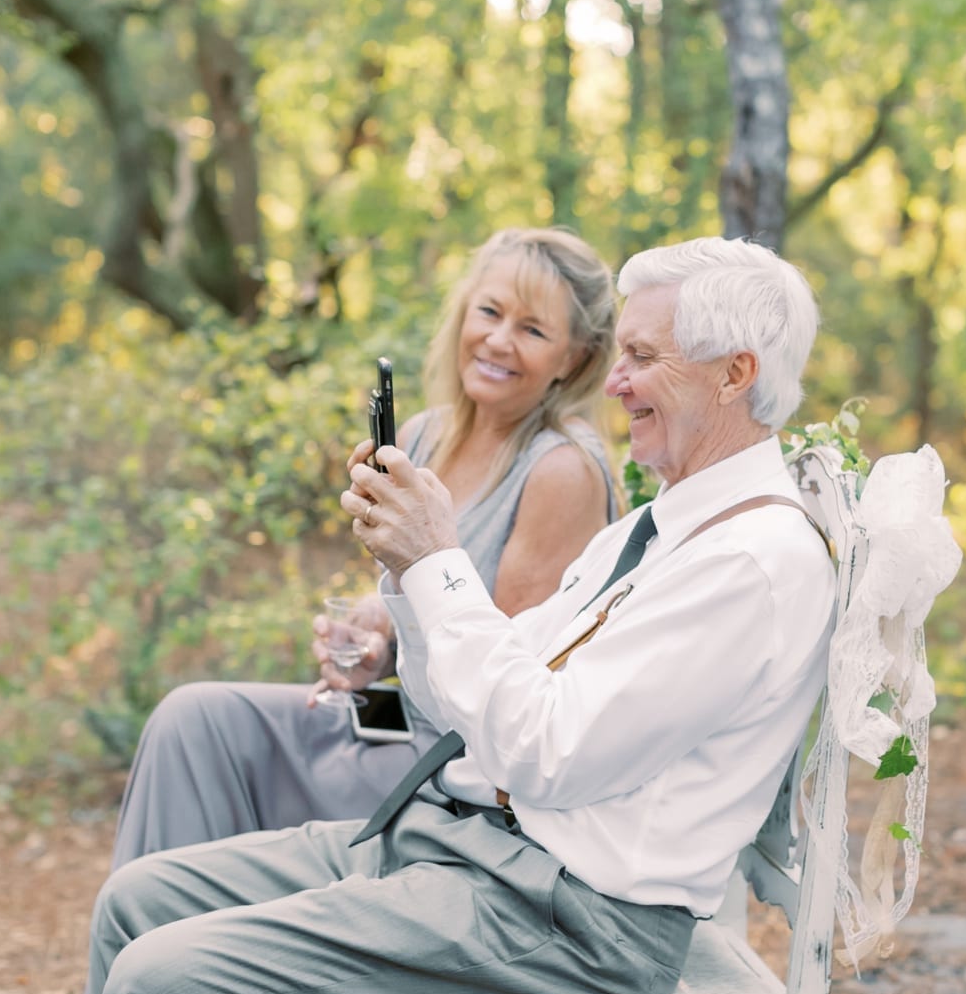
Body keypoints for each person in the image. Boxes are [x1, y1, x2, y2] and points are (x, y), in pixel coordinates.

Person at [86, 235, 837, 994]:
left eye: (642, 357)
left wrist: (439, 559)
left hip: (571, 920)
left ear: (734, 374)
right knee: (136, 900)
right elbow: (471, 696)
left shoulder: (748, 563)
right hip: (466, 842)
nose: (614, 383)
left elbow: (544, 753)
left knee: (160, 978)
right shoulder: (657, 529)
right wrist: (408, 579)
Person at [106, 227, 621, 869]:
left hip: (451, 775)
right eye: (489, 312)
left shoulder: (561, 471)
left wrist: (395, 656)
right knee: (191, 721)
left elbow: (509, 686)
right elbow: (408, 603)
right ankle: (149, 959)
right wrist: (372, 644)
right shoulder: (423, 436)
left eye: (533, 330)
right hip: (389, 717)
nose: (498, 340)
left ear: (574, 358)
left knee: (228, 752)